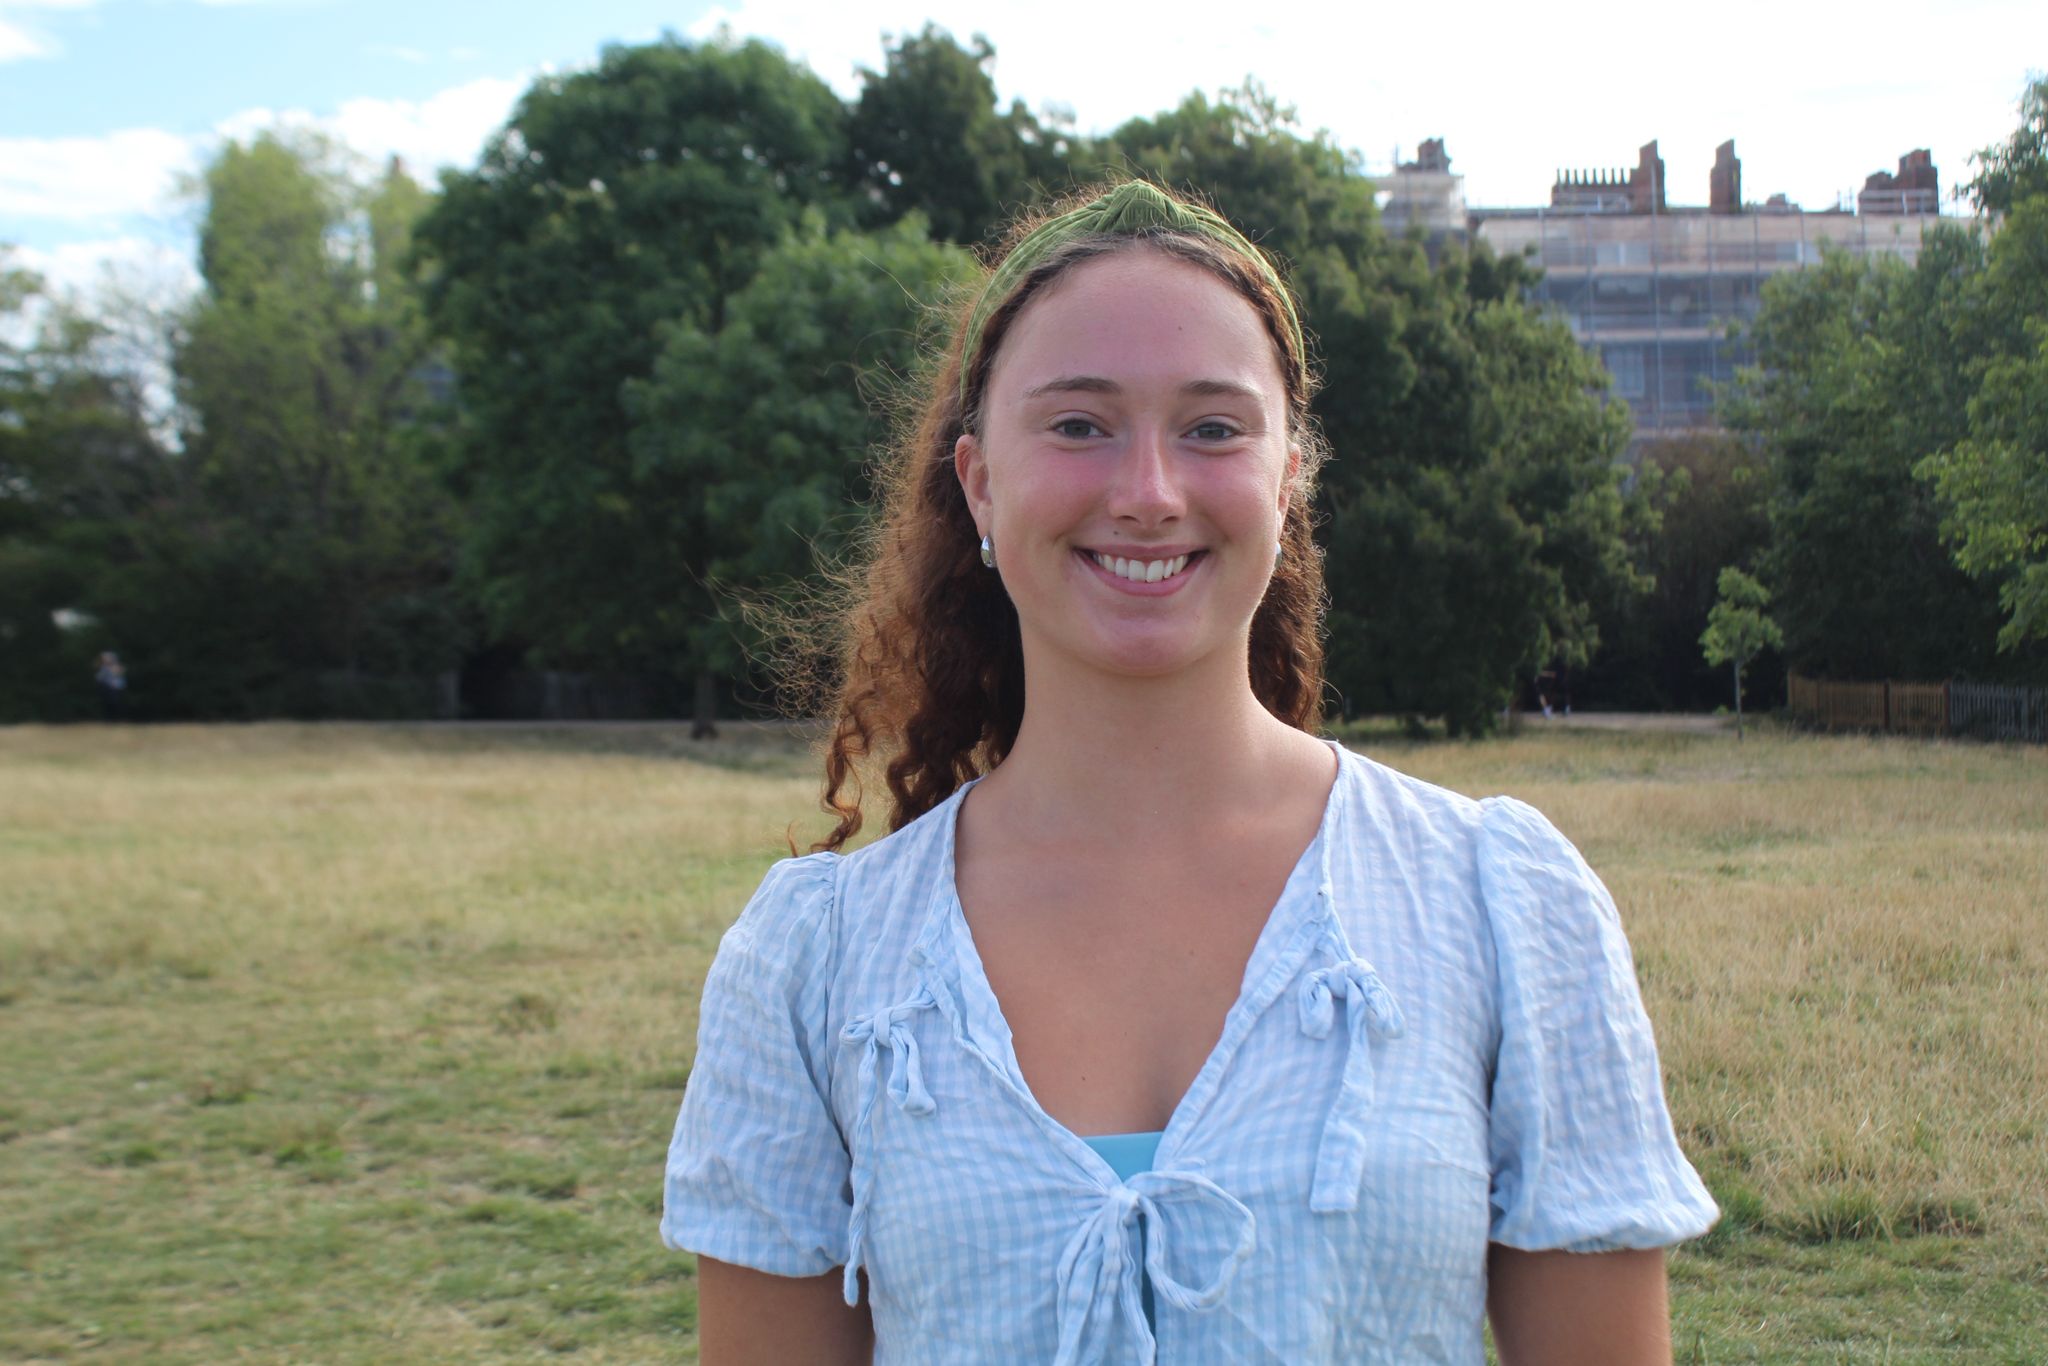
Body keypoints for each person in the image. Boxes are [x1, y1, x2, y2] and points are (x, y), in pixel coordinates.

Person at [661, 181, 1717, 1364]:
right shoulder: (810, 961)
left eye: (1212, 427)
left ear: (1286, 477)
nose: (1149, 492)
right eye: (1077, 424)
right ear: (978, 484)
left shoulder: (1499, 905)